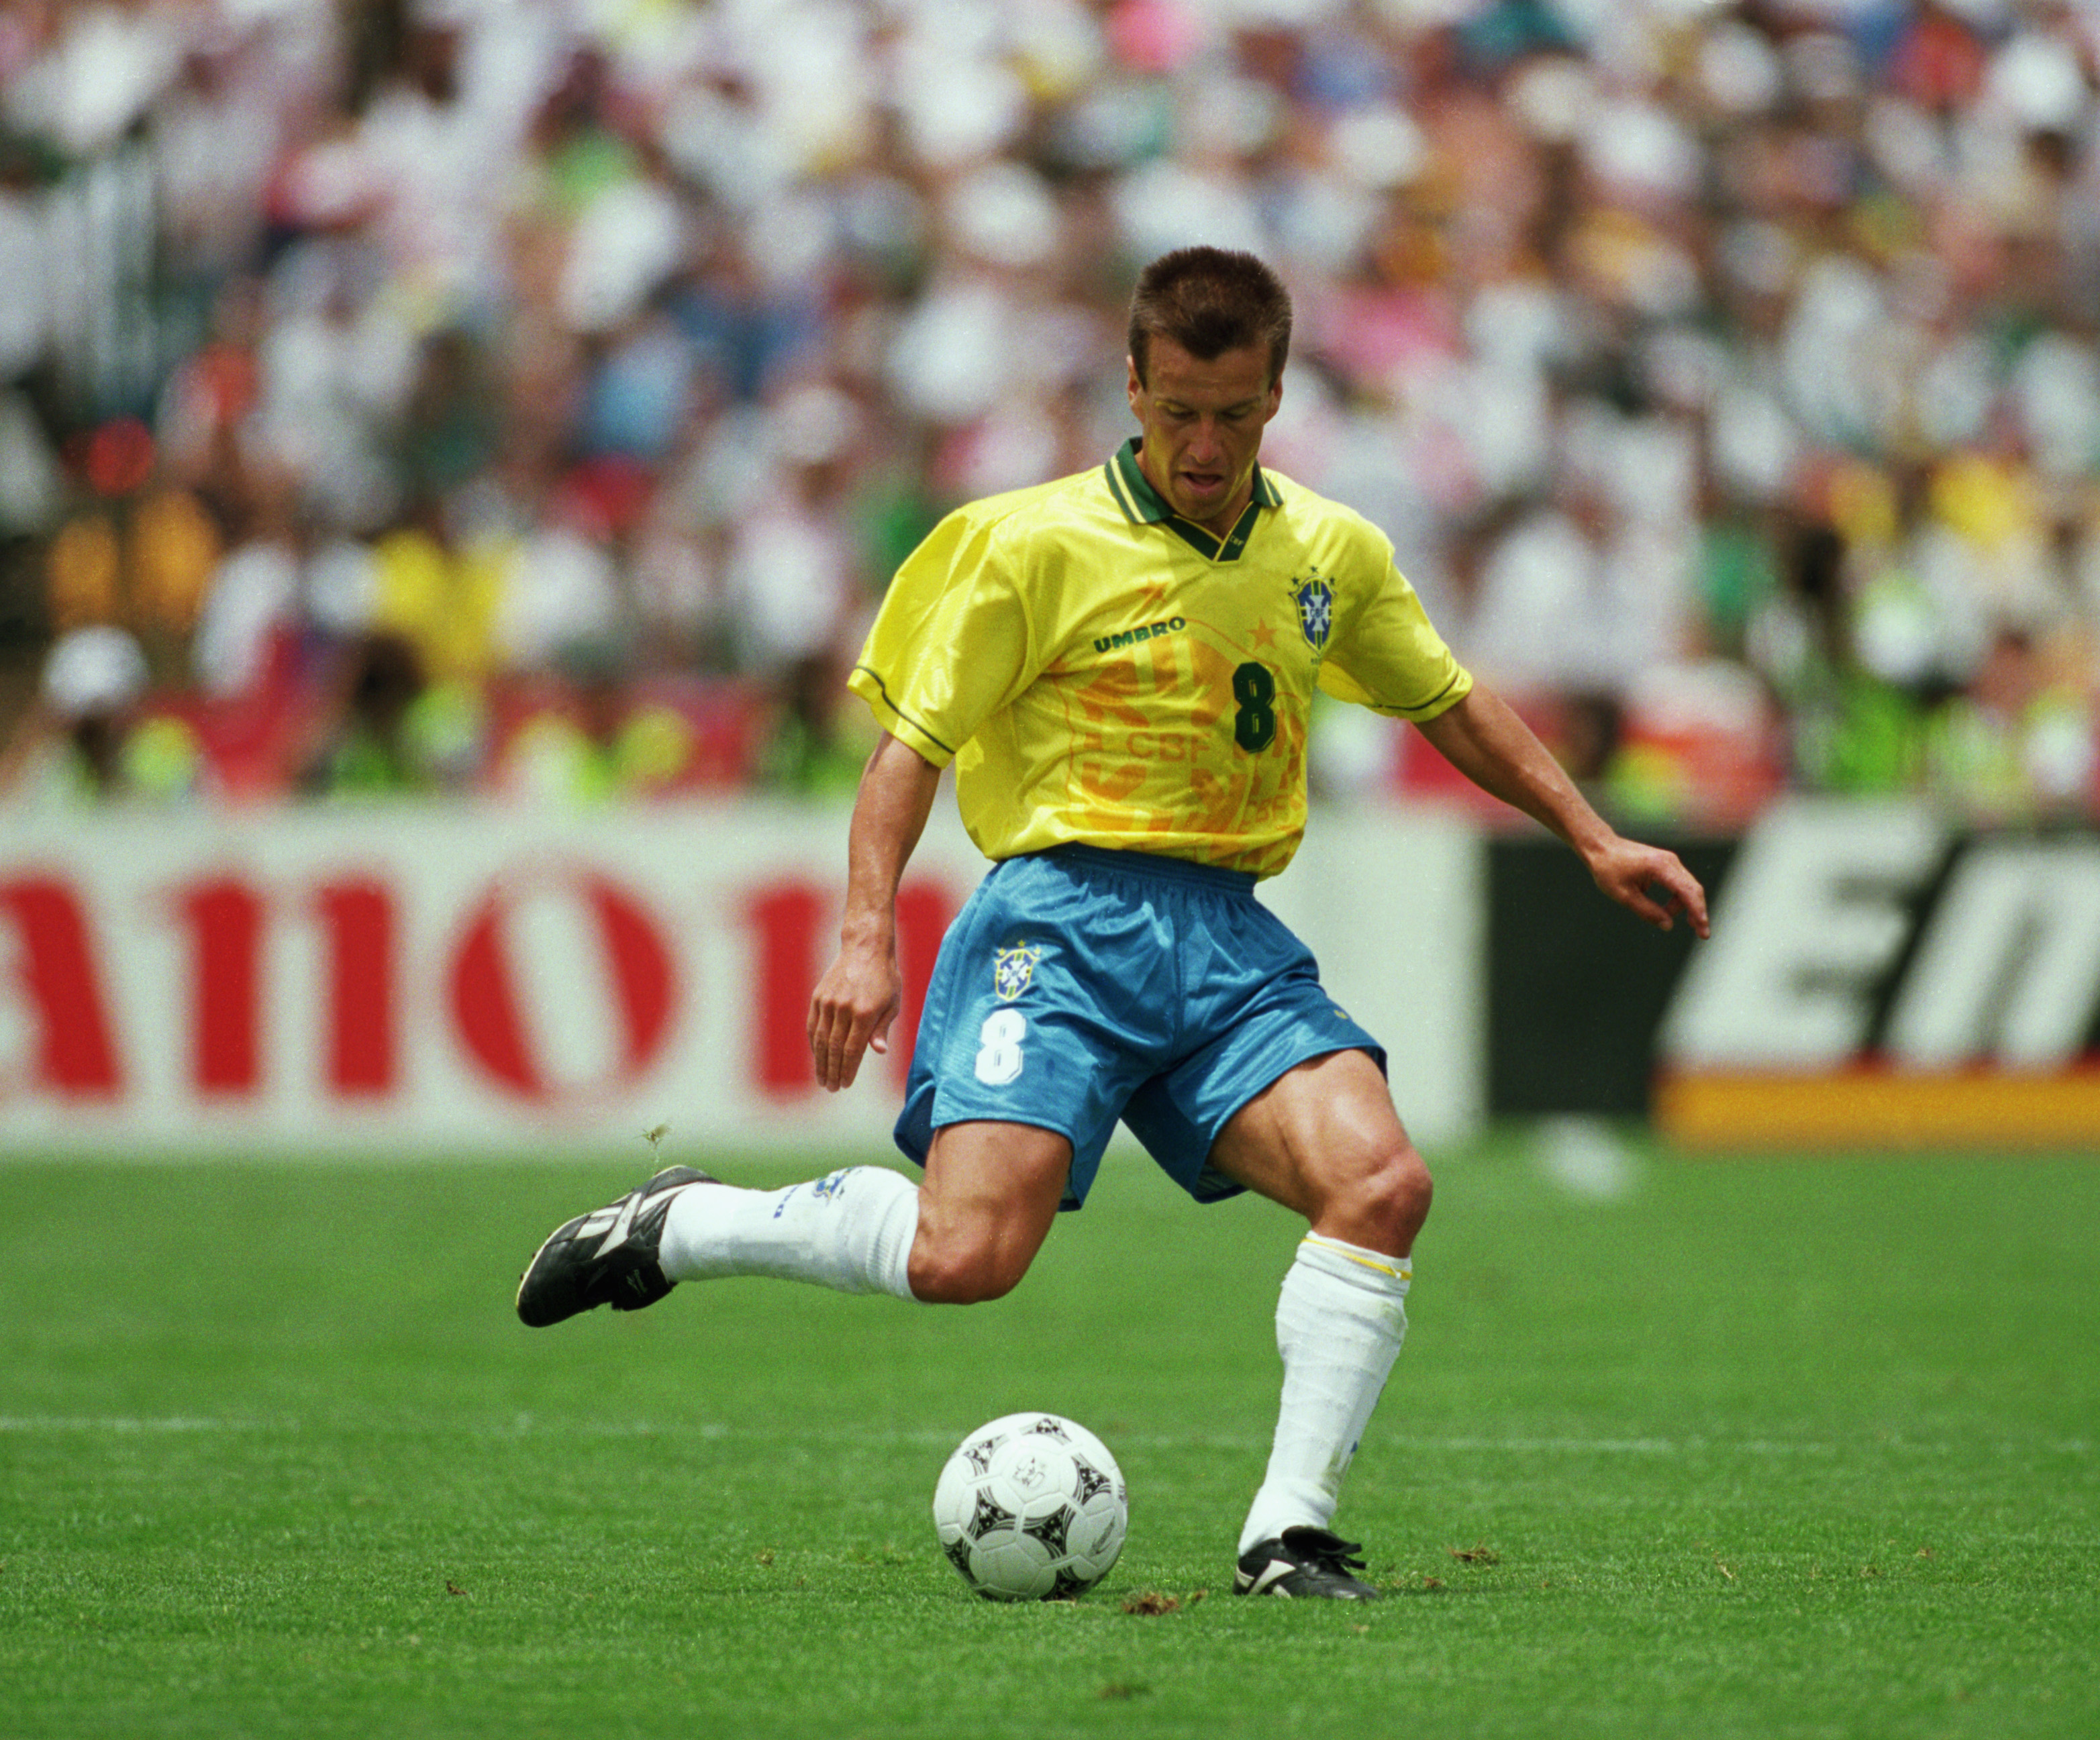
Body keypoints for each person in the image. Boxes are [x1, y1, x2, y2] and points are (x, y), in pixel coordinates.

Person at [515, 248, 1709, 1599]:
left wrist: (1595, 834)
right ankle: (682, 1227)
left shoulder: (1329, 550)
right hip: (1060, 927)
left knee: (1380, 1182)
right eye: (1179, 410)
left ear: (1277, 395)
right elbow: (906, 752)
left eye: (1235, 414)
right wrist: (865, 931)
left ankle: (1288, 1531)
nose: (1203, 446)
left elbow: (1447, 700)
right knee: (966, 1257)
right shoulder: (1030, 545)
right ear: (1132, 385)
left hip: (1225, 939)